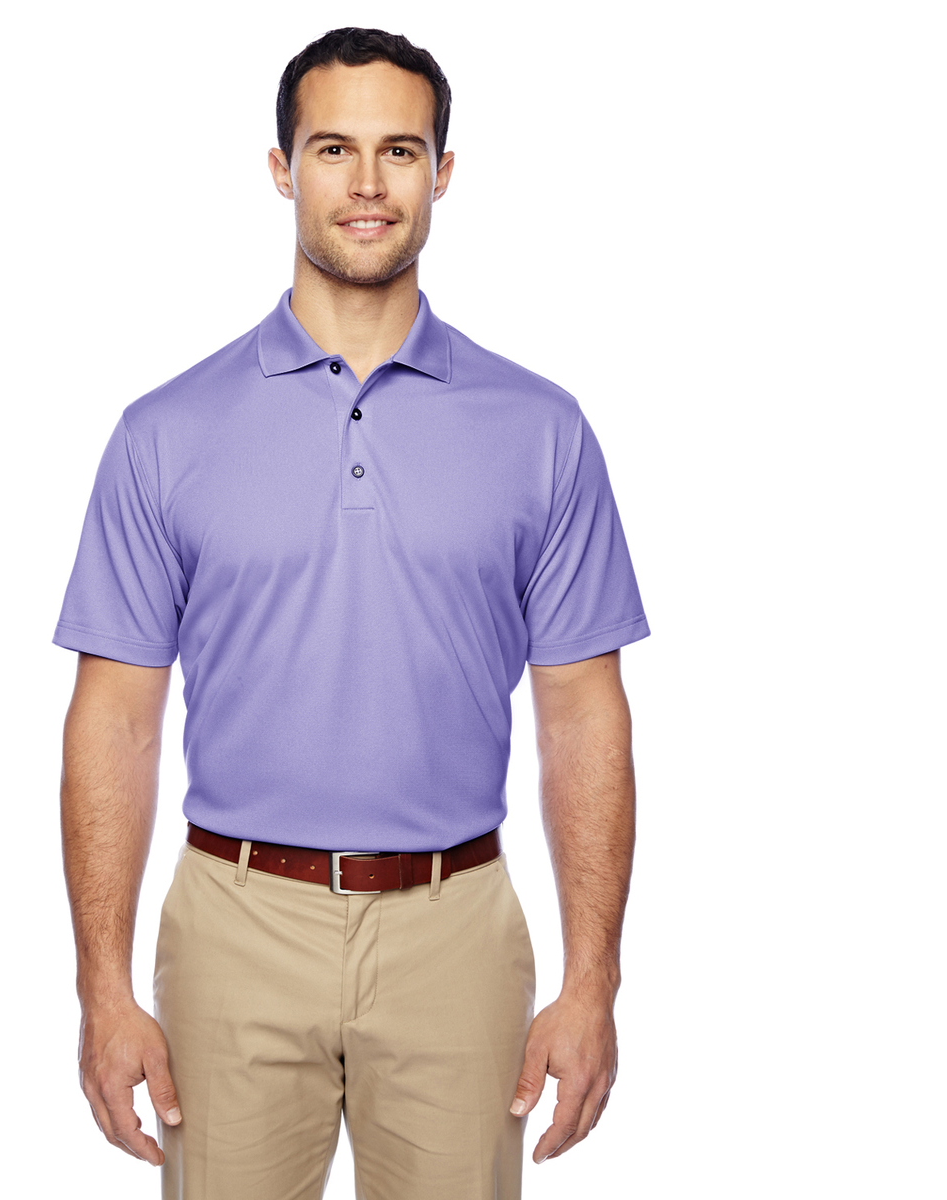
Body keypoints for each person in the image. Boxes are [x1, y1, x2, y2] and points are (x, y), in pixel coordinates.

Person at [54, 26, 649, 1200]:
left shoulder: (542, 430)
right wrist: (101, 989)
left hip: (457, 928)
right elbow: (113, 721)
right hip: (233, 928)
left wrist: (594, 983)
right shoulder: (165, 433)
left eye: (399, 151)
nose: (368, 183)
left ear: (443, 171)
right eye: (334, 149)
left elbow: (586, 717)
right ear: (283, 169)